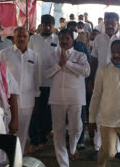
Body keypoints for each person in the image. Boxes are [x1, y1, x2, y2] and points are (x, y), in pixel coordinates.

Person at [88, 12, 120, 159]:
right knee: (101, 112)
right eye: (107, 23)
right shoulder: (98, 39)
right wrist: (90, 80)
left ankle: (119, 149)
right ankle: (98, 147)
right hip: (101, 80)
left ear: (118, 24)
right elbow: (94, 60)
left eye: (112, 23)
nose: (109, 25)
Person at [44, 29, 90, 167]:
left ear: (72, 40)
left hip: (75, 97)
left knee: (76, 128)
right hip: (57, 98)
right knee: (58, 131)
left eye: (67, 38)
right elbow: (45, 74)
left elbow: (86, 71)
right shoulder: (52, 55)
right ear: (58, 40)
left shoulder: (80, 55)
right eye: (62, 38)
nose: (64, 41)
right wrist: (59, 65)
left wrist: (67, 63)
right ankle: (63, 164)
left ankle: (73, 147)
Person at [0, 27, 40, 153]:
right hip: (8, 101)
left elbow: (36, 79)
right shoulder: (5, 53)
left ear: (28, 39)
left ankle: (18, 159)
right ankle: (5, 160)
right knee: (6, 131)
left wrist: (36, 101)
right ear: (13, 38)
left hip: (28, 101)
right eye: (18, 36)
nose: (21, 38)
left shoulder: (34, 55)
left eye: (24, 36)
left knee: (22, 133)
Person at [27, 14, 58, 152]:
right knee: (34, 112)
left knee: (47, 113)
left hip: (52, 83)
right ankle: (34, 139)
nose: (47, 27)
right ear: (41, 25)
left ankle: (44, 136)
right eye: (44, 24)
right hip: (35, 81)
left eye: (49, 24)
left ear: (53, 26)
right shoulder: (33, 39)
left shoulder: (57, 39)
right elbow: (29, 57)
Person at [67, 21, 91, 149]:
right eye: (70, 30)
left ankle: (80, 140)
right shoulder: (60, 46)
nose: (73, 32)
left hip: (79, 86)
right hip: (64, 88)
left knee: (79, 114)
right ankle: (69, 141)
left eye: (75, 30)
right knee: (66, 116)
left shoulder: (82, 46)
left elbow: (88, 66)